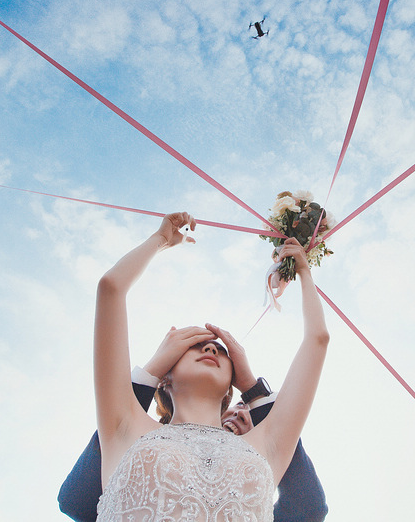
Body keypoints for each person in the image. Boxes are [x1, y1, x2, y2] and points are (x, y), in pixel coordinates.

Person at [92, 212, 329, 521]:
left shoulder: (267, 443)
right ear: (166, 378)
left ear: (233, 381)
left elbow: (318, 338)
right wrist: (160, 240)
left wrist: (304, 272)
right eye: (193, 345)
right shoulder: (124, 424)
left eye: (221, 350)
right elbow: (110, 287)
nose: (209, 347)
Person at [58, 327, 329, 522]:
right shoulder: (142, 441)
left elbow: (310, 509)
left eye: (247, 417)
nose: (239, 416)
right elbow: (76, 500)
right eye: (233, 412)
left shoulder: (260, 457)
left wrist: (253, 393)